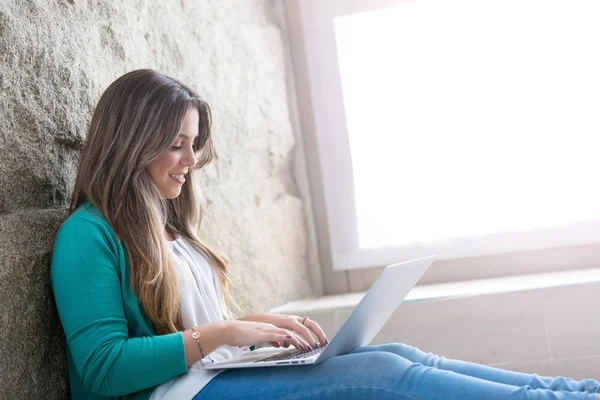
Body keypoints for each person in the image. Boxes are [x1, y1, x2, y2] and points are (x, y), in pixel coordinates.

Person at [50, 69, 600, 400]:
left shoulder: (165, 226)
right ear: (132, 141)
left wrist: (262, 326)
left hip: (204, 382)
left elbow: (189, 326)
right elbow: (104, 367)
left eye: (193, 143)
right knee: (384, 374)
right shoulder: (88, 235)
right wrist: (225, 334)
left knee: (397, 354)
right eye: (177, 143)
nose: (192, 160)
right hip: (178, 395)